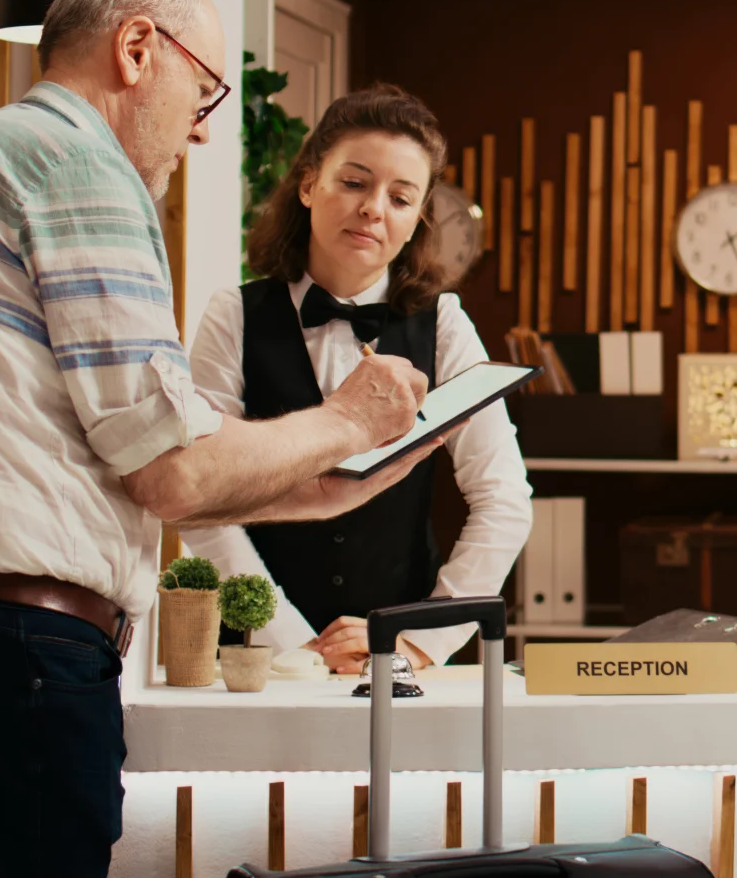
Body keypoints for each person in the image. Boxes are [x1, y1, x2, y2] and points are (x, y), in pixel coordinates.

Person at [0, 0, 435, 877]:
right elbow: (172, 470)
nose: (200, 134)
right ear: (136, 48)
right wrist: (350, 420)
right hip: (8, 658)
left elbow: (109, 464)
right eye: (203, 96)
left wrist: (310, 490)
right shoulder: (80, 167)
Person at [184, 85, 531, 674]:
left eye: (400, 197)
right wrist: (294, 642)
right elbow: (202, 495)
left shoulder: (443, 324)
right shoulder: (233, 314)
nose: (374, 207)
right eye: (354, 182)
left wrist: (419, 639)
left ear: (417, 219)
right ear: (308, 184)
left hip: (403, 663)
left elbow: (504, 500)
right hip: (259, 663)